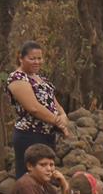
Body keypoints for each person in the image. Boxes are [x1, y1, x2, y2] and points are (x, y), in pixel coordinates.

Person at [6, 41, 71, 178]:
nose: (37, 62)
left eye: (39, 58)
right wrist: (58, 121)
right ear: (21, 58)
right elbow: (33, 108)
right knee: (29, 177)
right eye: (32, 58)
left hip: (47, 135)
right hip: (30, 134)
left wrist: (63, 115)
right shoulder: (17, 78)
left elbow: (54, 102)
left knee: (46, 177)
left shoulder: (42, 79)